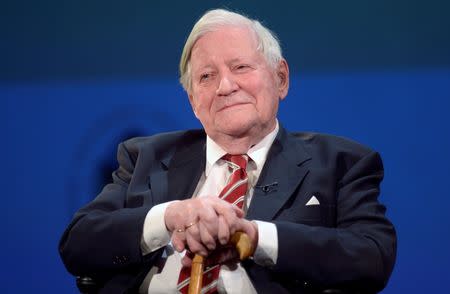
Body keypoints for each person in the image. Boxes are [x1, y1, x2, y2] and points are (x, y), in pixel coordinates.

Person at [59, 9, 397, 294]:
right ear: (193, 102)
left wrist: (254, 237)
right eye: (207, 76)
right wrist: (170, 217)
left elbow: (372, 256)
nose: (225, 86)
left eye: (240, 68)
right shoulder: (145, 156)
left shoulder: (341, 163)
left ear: (280, 78)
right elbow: (78, 243)